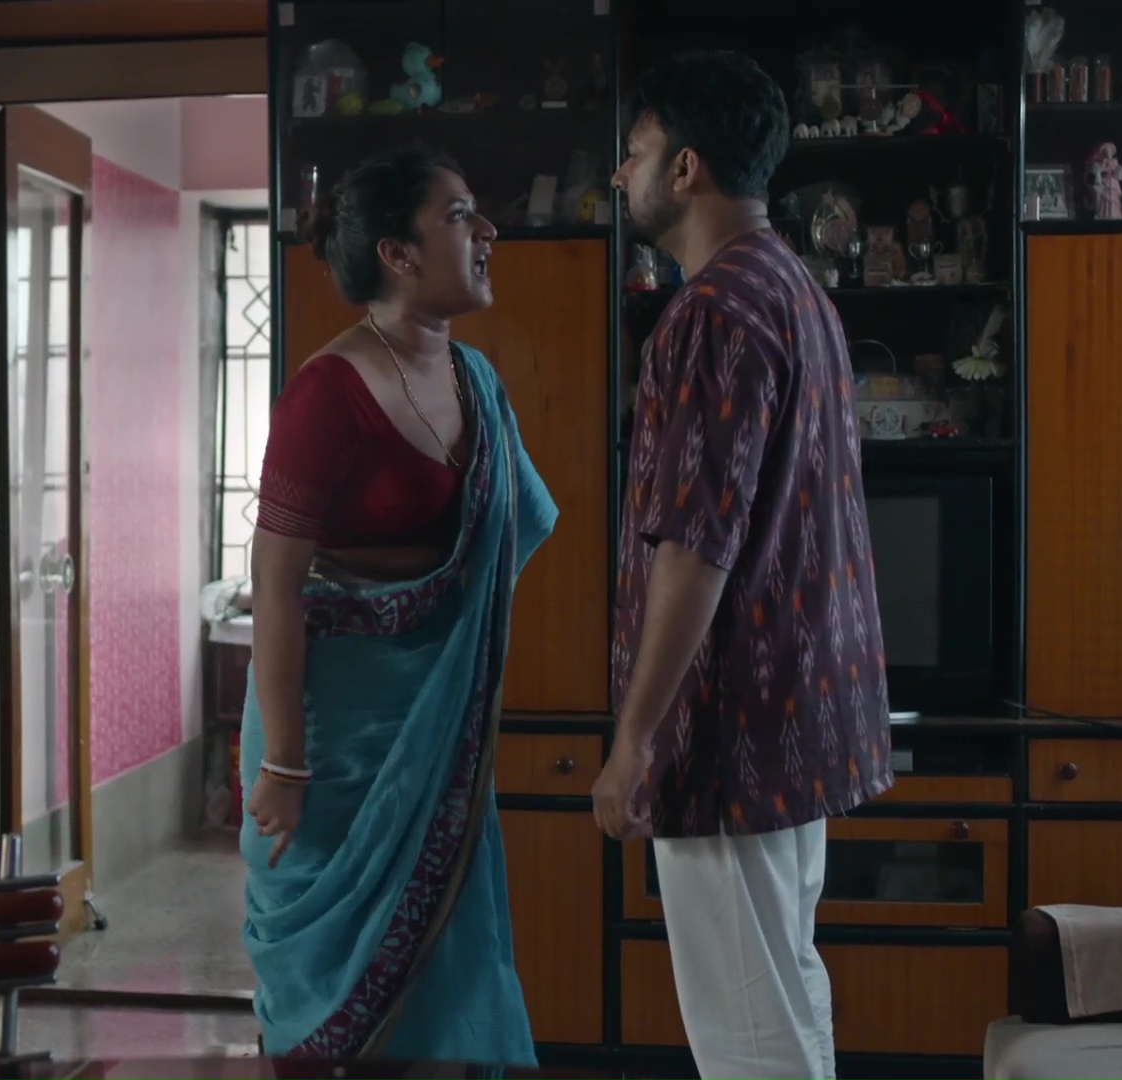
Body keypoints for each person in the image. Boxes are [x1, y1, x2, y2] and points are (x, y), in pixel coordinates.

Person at [593, 50, 895, 1080]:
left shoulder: (712, 312)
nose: (620, 174)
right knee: (784, 995)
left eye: (634, 152)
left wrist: (635, 739)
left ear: (684, 169)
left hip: (731, 735)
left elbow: (696, 548)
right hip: (794, 719)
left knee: (750, 1037)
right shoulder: (795, 288)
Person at [239, 145, 555, 1067]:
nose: (487, 231)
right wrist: (285, 763)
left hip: (433, 727)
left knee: (446, 977)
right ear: (397, 254)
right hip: (331, 739)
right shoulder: (326, 395)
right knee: (335, 996)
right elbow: (274, 581)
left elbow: (508, 533)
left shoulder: (475, 381)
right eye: (459, 216)